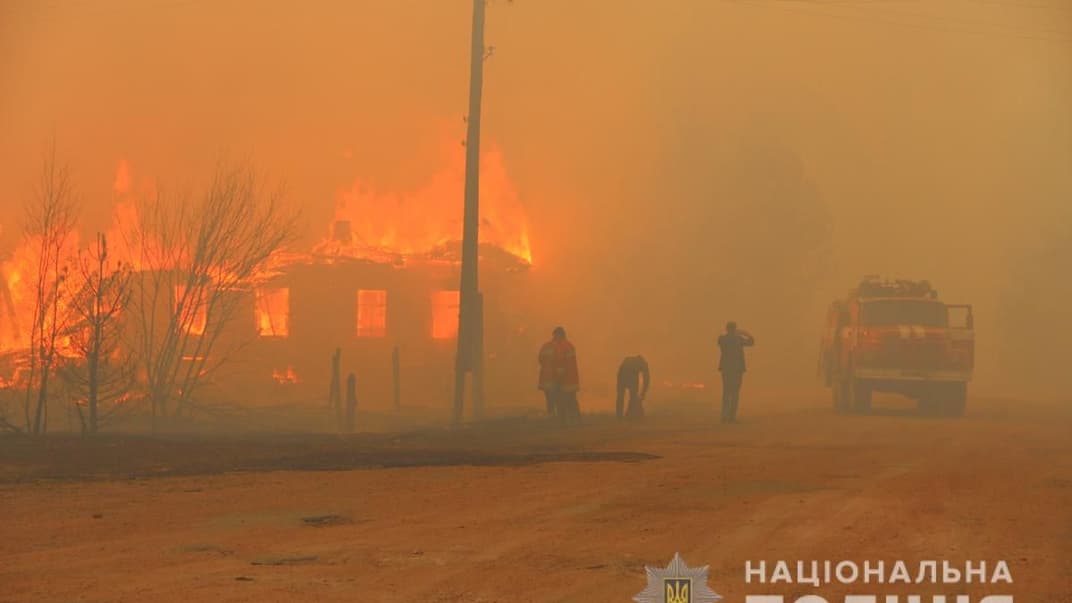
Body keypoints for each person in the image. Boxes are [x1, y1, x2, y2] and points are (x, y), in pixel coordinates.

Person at [538, 326, 581, 424]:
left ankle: (553, 419)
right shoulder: (566, 346)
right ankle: (572, 419)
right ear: (562, 335)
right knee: (568, 400)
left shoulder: (547, 346)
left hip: (547, 380)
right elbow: (562, 363)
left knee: (551, 400)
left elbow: (540, 360)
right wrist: (559, 375)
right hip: (566, 379)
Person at [717, 321, 754, 423]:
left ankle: (724, 415)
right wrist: (746, 334)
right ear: (735, 329)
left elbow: (720, 341)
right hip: (737, 369)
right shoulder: (739, 339)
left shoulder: (722, 339)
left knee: (726, 391)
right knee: (735, 392)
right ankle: (731, 416)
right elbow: (751, 342)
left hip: (726, 368)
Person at [616, 355, 650, 419]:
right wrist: (643, 393)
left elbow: (646, 379)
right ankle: (629, 414)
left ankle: (620, 415)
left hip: (622, 374)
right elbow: (646, 379)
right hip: (629, 374)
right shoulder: (642, 364)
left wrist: (643, 393)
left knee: (621, 396)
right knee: (632, 396)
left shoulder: (629, 361)